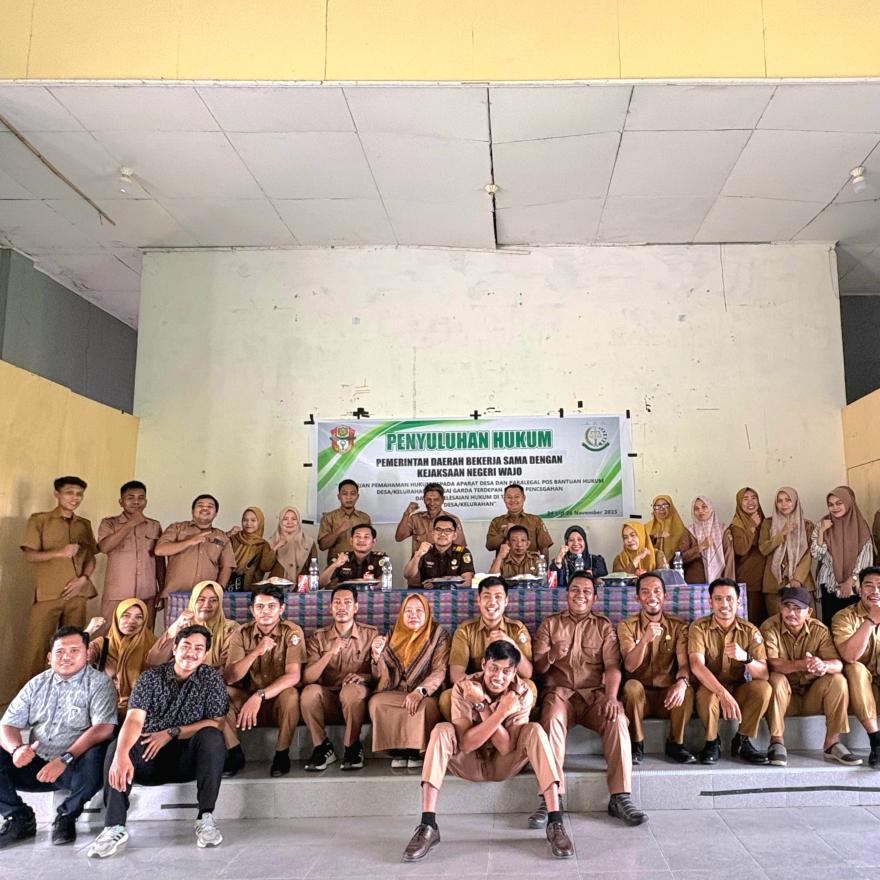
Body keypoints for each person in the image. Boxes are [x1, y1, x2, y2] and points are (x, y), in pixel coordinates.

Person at [402, 641, 572, 862]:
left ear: (514, 672)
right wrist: (489, 707)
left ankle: (555, 822)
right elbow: (466, 744)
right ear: (483, 665)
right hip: (469, 761)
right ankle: (428, 825)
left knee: (535, 731)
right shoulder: (464, 688)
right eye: (493, 668)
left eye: (506, 671)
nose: (498, 677)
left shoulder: (522, 693)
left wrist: (487, 708)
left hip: (503, 763)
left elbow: (506, 747)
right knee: (441, 730)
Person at [86, 625, 229, 858]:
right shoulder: (150, 678)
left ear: (205, 654)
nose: (191, 653)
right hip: (148, 757)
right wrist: (121, 755)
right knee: (116, 748)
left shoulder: (211, 679)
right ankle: (114, 827)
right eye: (186, 646)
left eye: (198, 648)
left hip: (187, 760)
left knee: (212, 737)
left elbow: (217, 723)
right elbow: (134, 720)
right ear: (174, 648)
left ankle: (205, 818)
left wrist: (171, 732)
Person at [532, 571, 646, 827]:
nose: (580, 595)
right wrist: (551, 654)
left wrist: (612, 697)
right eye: (575, 590)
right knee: (551, 719)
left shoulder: (604, 626)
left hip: (594, 695)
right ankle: (552, 798)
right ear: (566, 594)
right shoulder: (550, 624)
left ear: (594, 597)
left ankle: (620, 796)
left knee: (617, 719)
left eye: (586, 591)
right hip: (560, 694)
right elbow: (537, 668)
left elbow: (613, 667)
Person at [0, 627, 116, 849]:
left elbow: (104, 728)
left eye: (74, 651)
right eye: (60, 651)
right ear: (49, 657)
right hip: (35, 763)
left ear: (87, 655)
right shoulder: (36, 684)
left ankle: (66, 816)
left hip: (75, 766)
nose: (66, 657)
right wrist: (16, 749)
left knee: (100, 753)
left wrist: (65, 759)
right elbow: (7, 724)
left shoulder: (99, 684)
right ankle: (18, 818)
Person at [761, 585, 859, 767]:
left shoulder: (819, 630)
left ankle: (832, 743)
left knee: (838, 680)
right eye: (787, 607)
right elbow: (772, 663)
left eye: (798, 608)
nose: (791, 613)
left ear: (809, 612)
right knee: (775, 678)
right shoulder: (770, 627)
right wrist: (802, 664)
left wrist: (823, 665)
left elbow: (838, 664)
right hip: (784, 698)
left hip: (811, 697)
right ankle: (777, 742)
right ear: (780, 607)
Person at [20, 476, 98, 683]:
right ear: (57, 494)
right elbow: (30, 555)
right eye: (69, 493)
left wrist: (84, 579)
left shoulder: (84, 524)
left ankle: (70, 692)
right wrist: (59, 552)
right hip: (48, 595)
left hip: (77, 596)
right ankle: (29, 696)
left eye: (79, 494)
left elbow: (91, 557)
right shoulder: (40, 520)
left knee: (75, 648)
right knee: (37, 648)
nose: (75, 498)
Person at [223, 585, 306, 778]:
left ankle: (281, 753)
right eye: (260, 606)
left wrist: (260, 696)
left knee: (291, 694)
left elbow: (293, 676)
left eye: (271, 606)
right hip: (247, 696)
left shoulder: (292, 632)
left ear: (281, 609)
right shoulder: (241, 633)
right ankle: (234, 752)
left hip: (276, 699)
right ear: (252, 610)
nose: (265, 611)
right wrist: (255, 652)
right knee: (221, 693)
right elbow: (231, 677)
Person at [688, 578, 771, 764]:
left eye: (729, 599)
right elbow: (696, 666)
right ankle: (712, 742)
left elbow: (763, 674)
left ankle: (742, 740)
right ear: (710, 602)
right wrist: (722, 693)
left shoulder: (750, 631)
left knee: (763, 688)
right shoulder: (699, 628)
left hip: (736, 688)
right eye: (718, 599)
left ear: (738, 602)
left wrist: (746, 658)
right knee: (707, 695)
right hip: (709, 687)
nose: (724, 604)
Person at [618, 572, 695, 764]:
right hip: (639, 699)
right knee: (631, 686)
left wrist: (682, 683)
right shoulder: (627, 626)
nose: (651, 596)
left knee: (686, 689)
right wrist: (644, 640)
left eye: (657, 591)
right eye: (645, 592)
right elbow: (630, 666)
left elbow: (684, 665)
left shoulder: (678, 626)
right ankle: (636, 744)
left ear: (665, 596)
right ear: (637, 598)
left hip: (667, 698)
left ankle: (676, 743)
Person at [300, 585, 379, 771]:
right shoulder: (318, 637)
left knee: (351, 691)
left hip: (357, 699)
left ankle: (352, 746)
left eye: (347, 602)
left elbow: (380, 677)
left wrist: (363, 677)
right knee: (309, 692)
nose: (342, 607)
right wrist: (330, 653)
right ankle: (322, 746)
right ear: (330, 607)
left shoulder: (370, 634)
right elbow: (308, 677)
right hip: (329, 698)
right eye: (337, 602)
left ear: (356, 607)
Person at [369, 594, 450, 767]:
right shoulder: (393, 633)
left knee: (425, 706)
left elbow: (440, 670)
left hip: (426, 692)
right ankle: (397, 749)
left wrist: (420, 691)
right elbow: (381, 675)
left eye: (419, 611)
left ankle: (416, 750)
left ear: (427, 613)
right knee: (377, 702)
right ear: (402, 613)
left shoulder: (438, 635)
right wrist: (376, 657)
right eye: (409, 611)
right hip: (395, 690)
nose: (414, 615)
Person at [443, 576, 534, 719]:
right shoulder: (465, 630)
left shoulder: (517, 629)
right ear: (478, 600)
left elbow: (527, 673)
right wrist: (481, 692)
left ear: (506, 601)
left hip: (507, 688)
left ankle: (508, 727)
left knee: (530, 687)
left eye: (498, 597)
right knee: (446, 698)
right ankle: (473, 727)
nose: (492, 602)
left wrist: (511, 643)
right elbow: (456, 676)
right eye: (487, 596)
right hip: (476, 689)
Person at [97, 480, 164, 629]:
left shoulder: (154, 525)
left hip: (147, 594)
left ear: (146, 501)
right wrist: (130, 524)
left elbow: (159, 560)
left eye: (141, 498)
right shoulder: (109, 523)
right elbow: (104, 547)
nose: (136, 502)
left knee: (144, 635)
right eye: (130, 498)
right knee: (111, 635)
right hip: (117, 594)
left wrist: (162, 588)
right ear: (121, 502)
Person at [831, 566, 880, 769]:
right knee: (855, 668)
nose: (875, 591)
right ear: (860, 590)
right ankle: (876, 741)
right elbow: (849, 656)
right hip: (858, 691)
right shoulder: (843, 617)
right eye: (869, 586)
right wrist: (871, 621)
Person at [811, 486, 874, 626]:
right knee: (831, 624)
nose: (835, 508)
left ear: (848, 502)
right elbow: (817, 554)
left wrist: (850, 581)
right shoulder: (823, 524)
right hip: (830, 584)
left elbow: (866, 559)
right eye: (831, 504)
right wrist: (821, 531)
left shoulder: (860, 526)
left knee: (854, 625)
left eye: (839, 503)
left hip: (853, 587)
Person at [84, 599, 157, 720]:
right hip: (104, 708)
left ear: (144, 621)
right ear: (117, 618)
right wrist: (88, 631)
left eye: (138, 617)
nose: (131, 621)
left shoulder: (153, 645)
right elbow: (77, 659)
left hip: (141, 711)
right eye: (125, 616)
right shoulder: (103, 644)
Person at [154, 494, 236, 600]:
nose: (205, 508)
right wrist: (190, 541)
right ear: (192, 511)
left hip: (206, 598)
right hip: (175, 595)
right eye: (200, 505)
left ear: (216, 513)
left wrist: (219, 589)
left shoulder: (222, 537)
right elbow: (159, 550)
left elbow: (227, 566)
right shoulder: (177, 528)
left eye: (210, 506)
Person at [147, 581, 238, 670]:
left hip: (215, 678)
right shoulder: (183, 625)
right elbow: (154, 661)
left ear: (220, 603)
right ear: (193, 601)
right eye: (201, 599)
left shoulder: (231, 628)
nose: (207, 605)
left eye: (214, 600)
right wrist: (175, 628)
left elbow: (228, 667)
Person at [758, 487, 815, 618]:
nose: (784, 504)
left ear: (795, 501)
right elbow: (763, 549)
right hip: (775, 583)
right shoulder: (768, 524)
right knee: (777, 622)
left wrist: (797, 578)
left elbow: (808, 555)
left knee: (805, 622)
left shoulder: (806, 525)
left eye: (788, 500)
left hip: (802, 583)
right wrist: (781, 534)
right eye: (780, 501)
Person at [395, 483, 467, 586]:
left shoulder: (452, 520)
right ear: (424, 499)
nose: (432, 503)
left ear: (442, 500)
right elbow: (399, 537)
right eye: (428, 499)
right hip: (417, 577)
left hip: (444, 579)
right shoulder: (415, 518)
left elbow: (460, 549)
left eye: (436, 499)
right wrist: (406, 514)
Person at [404, 515, 475, 588]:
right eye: (438, 529)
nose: (442, 534)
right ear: (433, 534)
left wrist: (443, 586)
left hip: (454, 593)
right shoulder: (424, 550)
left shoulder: (463, 552)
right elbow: (408, 575)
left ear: (454, 536)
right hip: (427, 593)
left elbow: (467, 582)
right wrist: (418, 555)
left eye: (448, 530)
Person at [677, 496, 735, 585]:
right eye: (696, 509)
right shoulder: (689, 531)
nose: (700, 511)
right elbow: (679, 558)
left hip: (720, 583)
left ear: (710, 508)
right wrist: (700, 547)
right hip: (695, 584)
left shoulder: (722, 530)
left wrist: (729, 584)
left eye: (704, 507)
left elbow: (729, 558)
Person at [730, 487, 767, 625]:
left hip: (767, 582)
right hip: (749, 583)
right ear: (739, 503)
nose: (750, 502)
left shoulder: (764, 521)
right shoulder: (737, 525)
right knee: (752, 623)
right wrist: (751, 527)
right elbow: (740, 549)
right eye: (745, 499)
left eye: (754, 498)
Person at [485, 484, 553, 556]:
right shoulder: (496, 522)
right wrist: (503, 535)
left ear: (524, 498)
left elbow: (544, 547)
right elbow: (489, 546)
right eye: (509, 497)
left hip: (530, 562)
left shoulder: (536, 521)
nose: (513, 500)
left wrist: (544, 563)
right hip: (504, 563)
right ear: (504, 499)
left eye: (517, 497)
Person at [317, 479, 371, 561]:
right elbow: (322, 546)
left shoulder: (364, 518)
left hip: (361, 564)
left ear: (357, 496)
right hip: (336, 565)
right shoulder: (328, 517)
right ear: (339, 496)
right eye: (345, 494)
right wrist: (339, 530)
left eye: (353, 493)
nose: (349, 497)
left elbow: (369, 543)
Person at [319, 524, 387, 587]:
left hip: (371, 595)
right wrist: (335, 564)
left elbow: (384, 583)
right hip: (345, 595)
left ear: (373, 542)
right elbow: (320, 584)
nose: (361, 540)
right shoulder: (341, 557)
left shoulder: (380, 558)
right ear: (351, 541)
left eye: (366, 537)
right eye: (357, 536)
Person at [227, 506, 275, 591]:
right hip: (229, 586)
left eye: (253, 520)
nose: (248, 523)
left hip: (252, 590)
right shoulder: (233, 538)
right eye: (245, 520)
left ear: (260, 522)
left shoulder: (263, 545)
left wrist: (273, 549)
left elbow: (265, 568)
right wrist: (226, 536)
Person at [268, 506, 318, 582]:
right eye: (285, 519)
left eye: (294, 519)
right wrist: (276, 547)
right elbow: (265, 567)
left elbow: (314, 569)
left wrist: (312, 586)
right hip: (276, 586)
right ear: (280, 521)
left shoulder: (309, 542)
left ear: (298, 521)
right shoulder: (272, 541)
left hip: (301, 586)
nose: (289, 522)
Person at [647, 495, 687, 566]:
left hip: (676, 566)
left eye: (665, 505)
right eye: (657, 506)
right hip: (652, 567)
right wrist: (656, 536)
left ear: (671, 508)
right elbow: (642, 545)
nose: (661, 509)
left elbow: (686, 552)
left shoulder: (680, 528)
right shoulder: (647, 527)